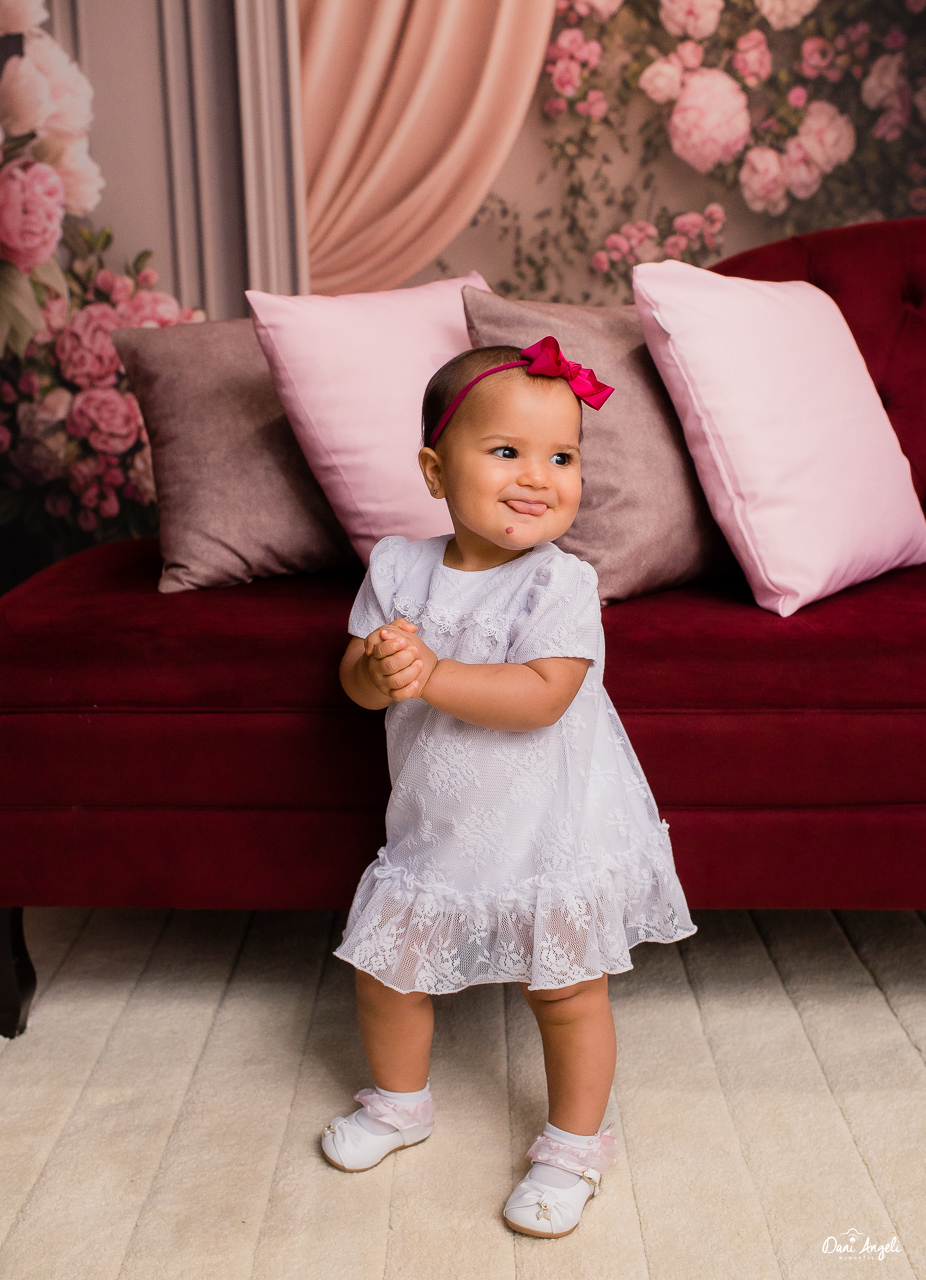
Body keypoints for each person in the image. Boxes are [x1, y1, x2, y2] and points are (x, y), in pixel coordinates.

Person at [321, 336, 696, 1238]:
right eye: (506, 451)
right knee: (387, 971)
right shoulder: (397, 568)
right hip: (439, 822)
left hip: (548, 829)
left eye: (562, 457)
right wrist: (377, 668)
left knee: (564, 993)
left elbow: (542, 697)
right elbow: (354, 684)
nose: (538, 477)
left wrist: (431, 674)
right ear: (434, 471)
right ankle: (400, 1103)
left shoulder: (562, 583)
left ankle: (574, 1144)